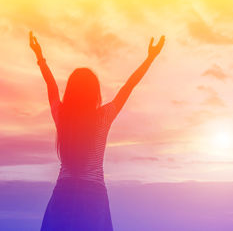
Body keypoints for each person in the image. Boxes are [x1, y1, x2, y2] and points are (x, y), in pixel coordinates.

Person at [29, 31, 165, 231]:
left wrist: (39, 57)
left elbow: (51, 85)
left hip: (63, 194)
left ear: (71, 92)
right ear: (94, 93)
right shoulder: (103, 117)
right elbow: (129, 86)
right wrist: (150, 58)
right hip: (93, 197)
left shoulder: (63, 116)